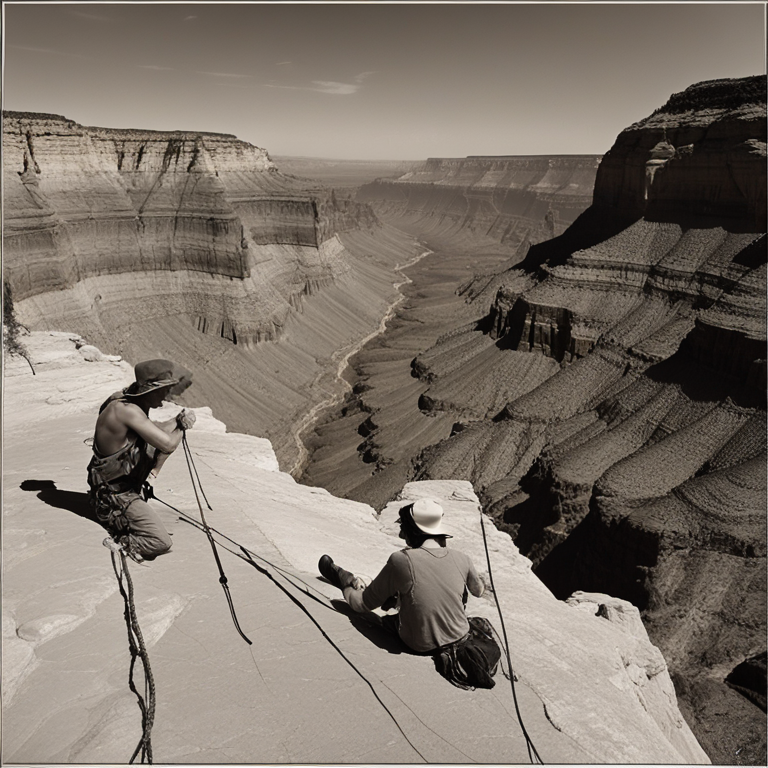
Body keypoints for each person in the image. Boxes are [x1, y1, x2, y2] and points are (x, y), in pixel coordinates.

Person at [318, 498, 485, 653]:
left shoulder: (401, 560)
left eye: (403, 529)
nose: (401, 535)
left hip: (420, 644)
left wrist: (346, 588)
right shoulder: (463, 558)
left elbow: (361, 605)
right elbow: (478, 591)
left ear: (414, 530)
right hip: (460, 635)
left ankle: (341, 575)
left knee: (375, 607)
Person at [87, 359, 196, 563]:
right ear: (150, 390)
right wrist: (182, 427)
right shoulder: (127, 411)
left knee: (153, 445)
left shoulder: (124, 402)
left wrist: (175, 420)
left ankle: (147, 481)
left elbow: (154, 431)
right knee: (161, 542)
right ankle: (125, 541)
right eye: (163, 390)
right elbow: (168, 445)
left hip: (110, 489)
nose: (166, 397)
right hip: (115, 497)